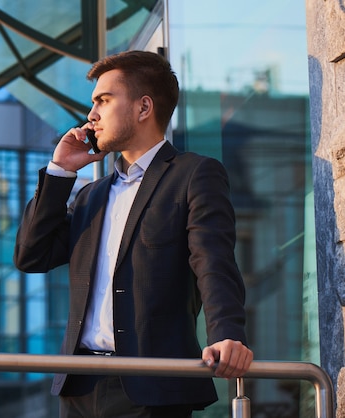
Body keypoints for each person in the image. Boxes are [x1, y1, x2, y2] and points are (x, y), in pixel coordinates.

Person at [13, 50, 253, 418]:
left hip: (152, 386)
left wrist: (227, 334)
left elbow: (213, 260)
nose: (91, 115)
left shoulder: (193, 175)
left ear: (143, 108)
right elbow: (31, 255)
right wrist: (60, 171)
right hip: (80, 386)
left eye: (103, 101)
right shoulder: (91, 196)